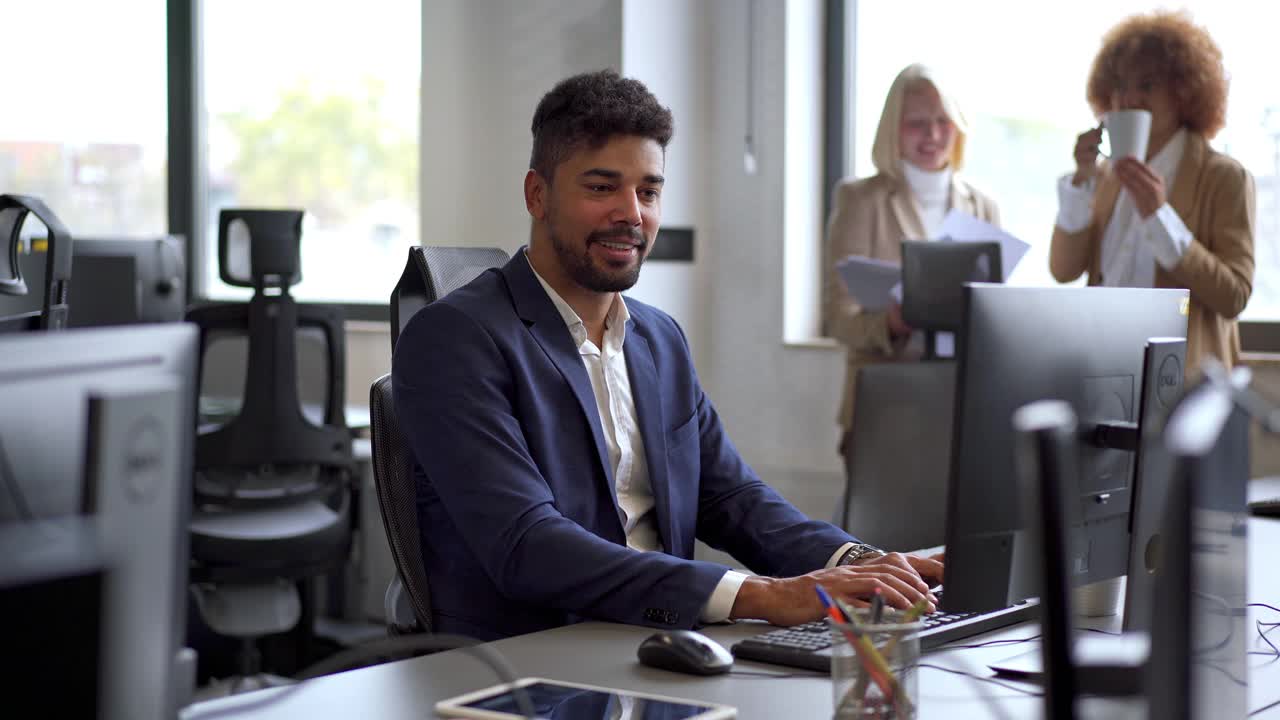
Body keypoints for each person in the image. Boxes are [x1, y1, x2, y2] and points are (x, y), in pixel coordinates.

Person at [392, 70, 942, 641]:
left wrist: (856, 561)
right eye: (602, 188)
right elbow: (527, 544)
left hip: (662, 645)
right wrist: (764, 596)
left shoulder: (658, 338)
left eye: (648, 191)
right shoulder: (456, 339)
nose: (632, 213)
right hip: (531, 659)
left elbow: (729, 495)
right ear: (538, 195)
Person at [1051, 10, 1255, 374]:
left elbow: (1234, 295)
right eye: (1120, 86)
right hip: (1102, 370)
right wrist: (1082, 181)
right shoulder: (1104, 176)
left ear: (1184, 91)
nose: (1129, 98)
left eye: (1146, 84)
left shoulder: (1225, 177)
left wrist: (1160, 216)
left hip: (1180, 385)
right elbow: (1064, 271)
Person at [823, 64, 999, 459]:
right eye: (917, 123)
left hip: (962, 405)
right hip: (884, 407)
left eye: (943, 121)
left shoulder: (984, 206)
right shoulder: (859, 200)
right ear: (892, 129)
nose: (934, 135)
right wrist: (889, 323)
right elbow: (838, 318)